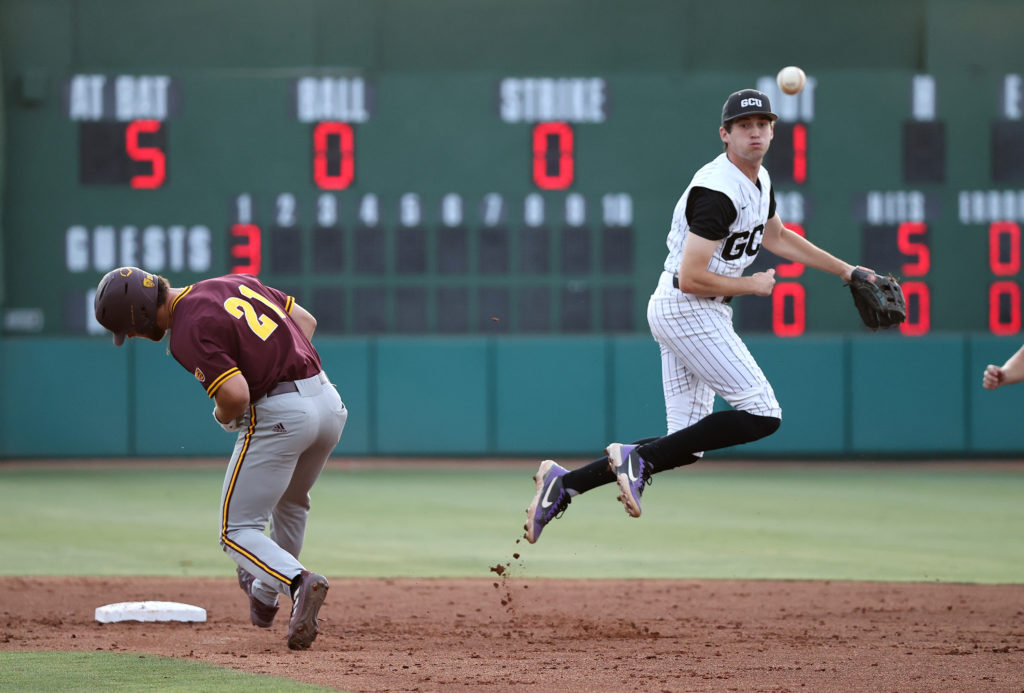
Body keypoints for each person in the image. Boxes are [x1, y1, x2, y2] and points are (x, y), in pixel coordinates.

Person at [525, 88, 875, 543]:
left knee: (687, 446)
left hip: (691, 310)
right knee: (763, 414)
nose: (755, 132)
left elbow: (779, 236)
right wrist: (751, 285)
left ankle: (565, 484)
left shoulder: (759, 180)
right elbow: (692, 276)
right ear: (725, 134)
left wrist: (848, 271)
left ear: (772, 131)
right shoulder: (717, 190)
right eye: (744, 126)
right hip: (687, 307)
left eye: (762, 124)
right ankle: (636, 458)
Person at [94, 267, 347, 649]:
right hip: (328, 402)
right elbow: (304, 323)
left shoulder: (186, 328)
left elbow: (236, 395)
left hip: (283, 414)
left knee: (236, 530)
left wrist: (224, 416)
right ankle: (264, 598)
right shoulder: (233, 282)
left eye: (126, 328)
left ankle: (298, 581)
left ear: (140, 315)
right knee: (291, 503)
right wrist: (275, 367)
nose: (129, 336)